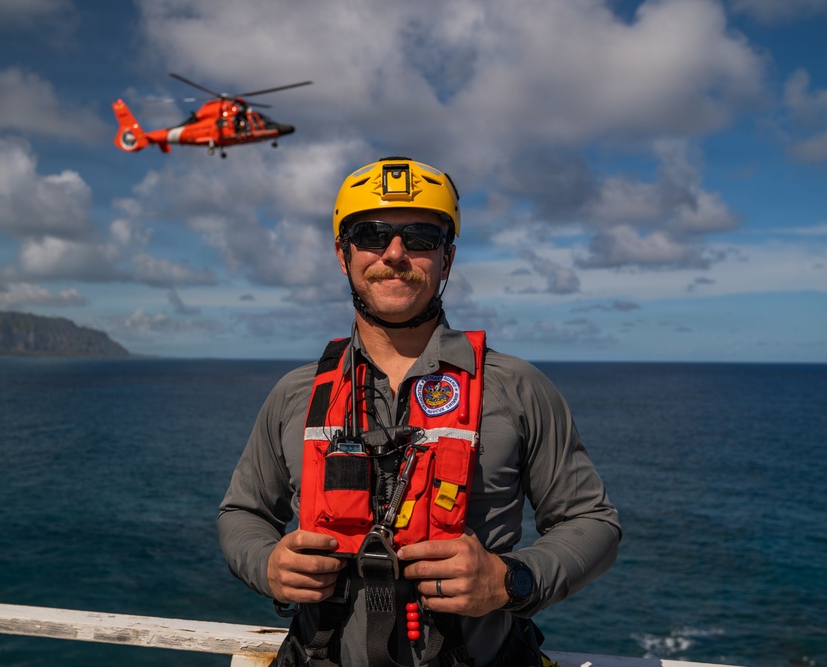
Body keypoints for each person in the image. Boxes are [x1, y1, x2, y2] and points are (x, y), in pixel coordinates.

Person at [218, 157, 621, 667]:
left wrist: (510, 579)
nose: (394, 253)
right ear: (343, 256)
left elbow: (593, 521)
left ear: (446, 260)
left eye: (420, 238)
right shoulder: (295, 394)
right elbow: (243, 512)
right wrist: (267, 564)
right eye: (371, 234)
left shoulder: (517, 388)